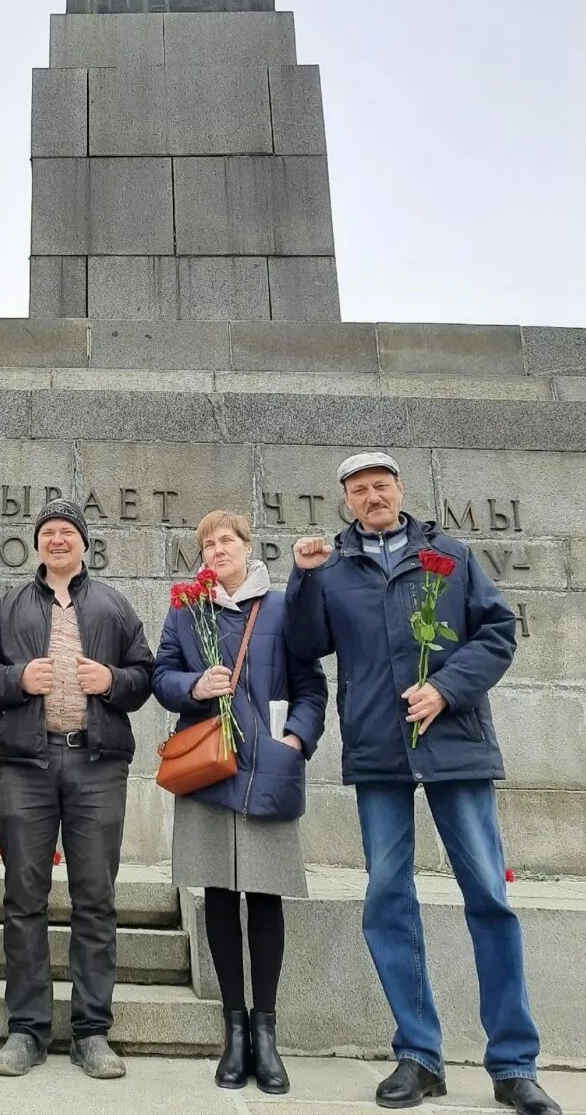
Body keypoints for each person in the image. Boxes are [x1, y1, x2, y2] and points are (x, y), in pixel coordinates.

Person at [285, 452, 561, 1115]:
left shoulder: (453, 554)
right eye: (359, 490)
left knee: (488, 898)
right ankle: (419, 1054)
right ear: (347, 500)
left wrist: (444, 688)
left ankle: (514, 1063)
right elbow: (302, 645)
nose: (372, 497)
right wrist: (299, 578)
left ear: (400, 490)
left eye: (381, 486)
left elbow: (496, 632)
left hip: (456, 744)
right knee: (387, 897)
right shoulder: (334, 568)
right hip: (380, 749)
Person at [0, 498, 154, 1080]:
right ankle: (26, 1030)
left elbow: (145, 674)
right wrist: (17, 679)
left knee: (95, 897)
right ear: (38, 544)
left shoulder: (113, 604)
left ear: (83, 543)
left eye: (67, 532)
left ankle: (92, 1032)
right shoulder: (11, 604)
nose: (57, 540)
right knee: (24, 898)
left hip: (96, 765)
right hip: (26, 762)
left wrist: (114, 680)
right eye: (48, 533)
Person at [153, 510, 326, 1094]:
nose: (216, 550)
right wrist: (193, 686)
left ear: (249, 548)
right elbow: (161, 676)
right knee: (220, 897)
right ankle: (234, 1031)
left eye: (226, 540)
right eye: (206, 544)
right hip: (208, 767)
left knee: (265, 895)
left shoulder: (280, 608)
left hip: (267, 768)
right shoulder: (187, 609)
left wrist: (295, 742)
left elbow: (310, 686)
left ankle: (267, 1033)